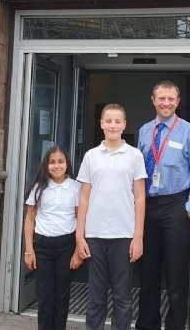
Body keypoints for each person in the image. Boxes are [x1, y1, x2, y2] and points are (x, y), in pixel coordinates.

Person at [136, 80, 190, 330]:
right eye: (161, 98)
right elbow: (137, 171)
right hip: (148, 206)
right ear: (153, 100)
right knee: (148, 273)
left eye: (170, 99)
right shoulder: (145, 131)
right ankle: (148, 325)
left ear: (177, 102)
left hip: (176, 206)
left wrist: (188, 209)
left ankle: (175, 325)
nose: (165, 103)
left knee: (176, 275)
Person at [76, 103, 147, 330]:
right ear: (101, 124)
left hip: (124, 234)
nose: (113, 125)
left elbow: (140, 198)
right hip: (94, 234)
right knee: (95, 296)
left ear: (124, 124)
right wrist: (79, 236)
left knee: (122, 296)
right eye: (108, 121)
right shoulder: (91, 156)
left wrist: (138, 237)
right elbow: (83, 197)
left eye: (117, 121)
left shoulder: (134, 155)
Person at [23, 145, 83, 330]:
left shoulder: (75, 187)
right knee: (45, 296)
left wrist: (77, 251)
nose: (57, 166)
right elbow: (30, 219)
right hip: (42, 246)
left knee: (61, 296)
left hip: (67, 246)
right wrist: (29, 250)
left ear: (67, 164)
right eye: (52, 162)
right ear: (46, 165)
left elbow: (80, 218)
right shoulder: (39, 187)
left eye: (60, 161)